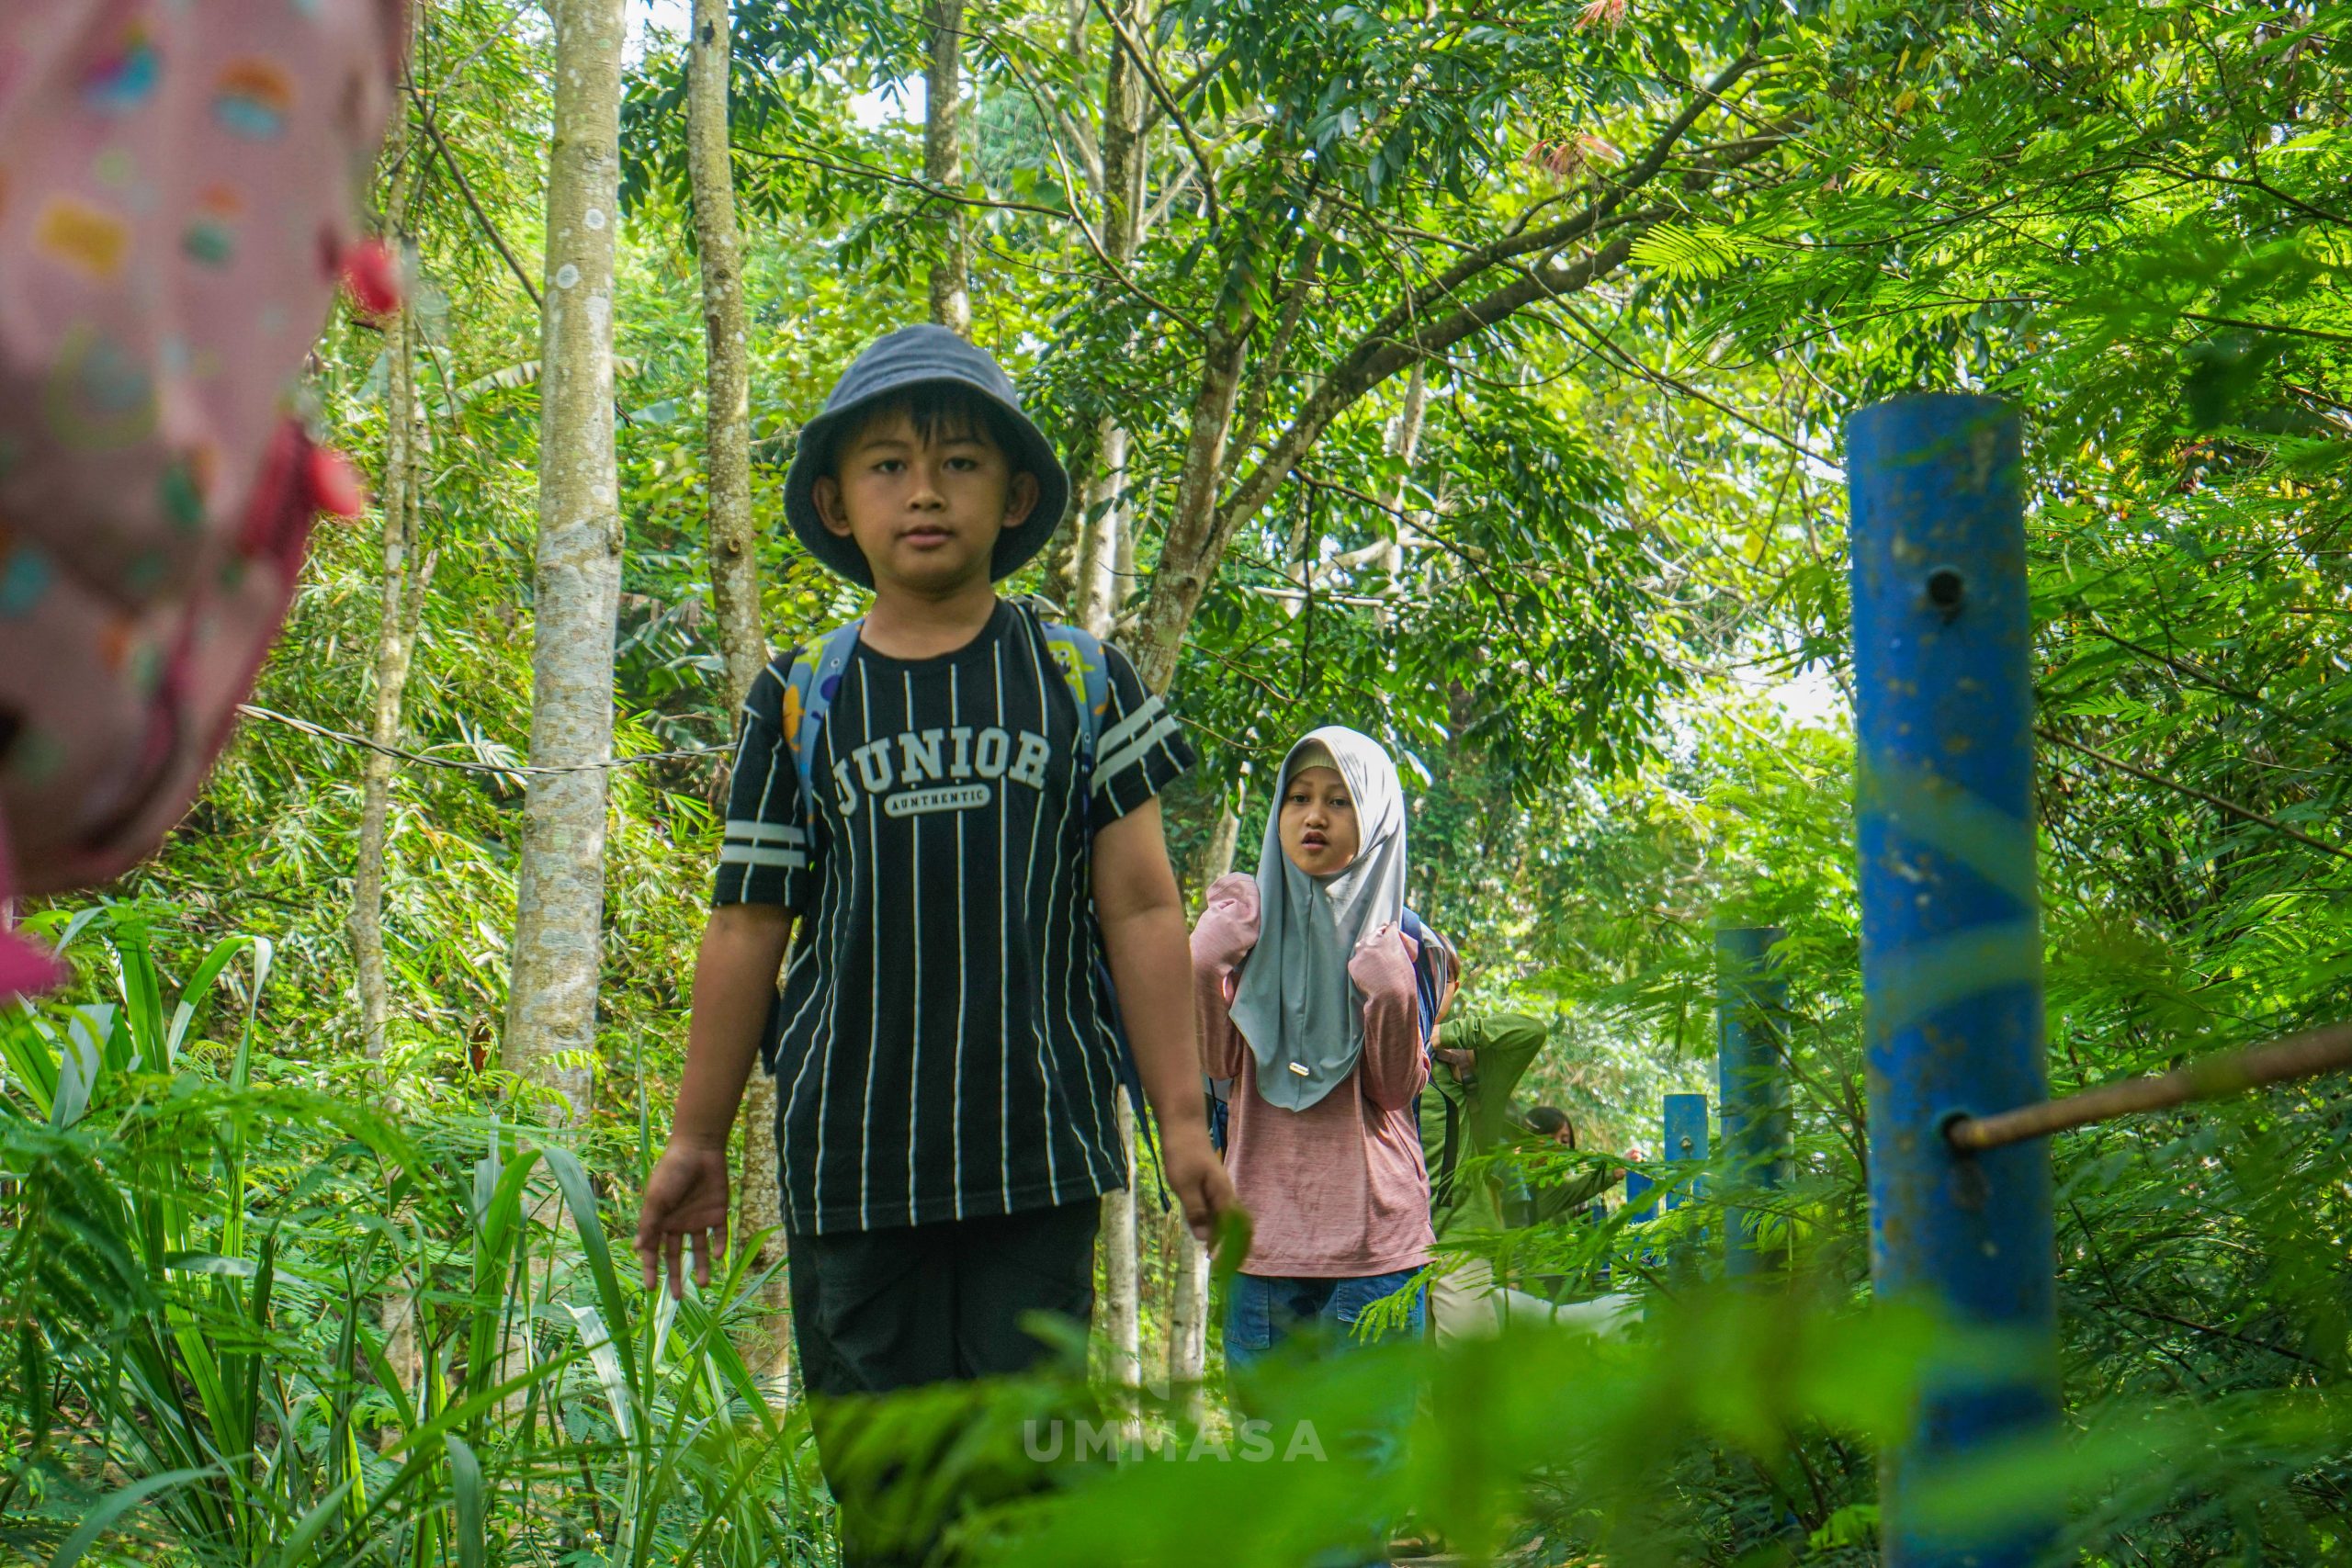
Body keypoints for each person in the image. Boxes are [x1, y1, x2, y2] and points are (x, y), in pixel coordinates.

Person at [632, 324, 1236, 1567]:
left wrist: (1182, 1121)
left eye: (959, 462)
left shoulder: (1079, 680)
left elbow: (1141, 909)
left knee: (1029, 1497)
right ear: (835, 504)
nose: (924, 491)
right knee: (889, 1502)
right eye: (888, 466)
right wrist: (696, 1139)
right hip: (856, 1164)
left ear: (1012, 496)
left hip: (1036, 1156)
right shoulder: (799, 698)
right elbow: (747, 920)